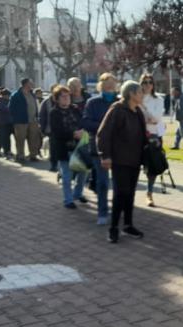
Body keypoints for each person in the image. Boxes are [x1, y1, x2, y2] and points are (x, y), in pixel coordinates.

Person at [97, 81, 147, 243]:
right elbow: (104, 133)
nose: (142, 94)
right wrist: (105, 155)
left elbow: (141, 134)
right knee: (120, 194)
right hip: (120, 160)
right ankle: (113, 228)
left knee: (130, 194)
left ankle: (128, 225)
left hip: (135, 160)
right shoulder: (117, 110)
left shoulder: (137, 111)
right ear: (131, 94)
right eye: (140, 92)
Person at [82, 72, 119, 225]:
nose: (110, 88)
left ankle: (118, 210)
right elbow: (86, 122)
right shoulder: (92, 102)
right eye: (107, 85)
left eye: (112, 85)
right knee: (102, 182)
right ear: (101, 86)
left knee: (118, 184)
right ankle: (102, 212)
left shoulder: (120, 102)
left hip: (118, 149)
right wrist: (105, 128)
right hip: (99, 149)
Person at [49, 85, 87, 209]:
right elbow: (56, 131)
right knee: (67, 175)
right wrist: (73, 134)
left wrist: (82, 131)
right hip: (64, 148)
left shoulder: (75, 109)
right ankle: (68, 200)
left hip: (79, 146)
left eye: (68, 96)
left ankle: (78, 193)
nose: (66, 99)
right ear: (57, 99)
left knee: (83, 172)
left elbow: (83, 122)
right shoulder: (54, 113)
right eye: (63, 96)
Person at [139, 73, 166, 207]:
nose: (148, 84)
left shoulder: (158, 99)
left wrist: (143, 108)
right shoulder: (136, 98)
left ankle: (149, 193)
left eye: (150, 82)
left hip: (153, 136)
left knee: (152, 166)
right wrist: (147, 119)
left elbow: (155, 118)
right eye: (145, 82)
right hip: (136, 135)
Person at [9, 78, 42, 163]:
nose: (32, 84)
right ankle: (20, 156)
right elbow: (11, 108)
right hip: (21, 121)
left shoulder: (32, 94)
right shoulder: (16, 95)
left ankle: (33, 155)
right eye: (30, 82)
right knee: (20, 139)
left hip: (33, 121)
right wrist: (16, 118)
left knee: (33, 138)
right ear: (26, 84)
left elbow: (35, 105)